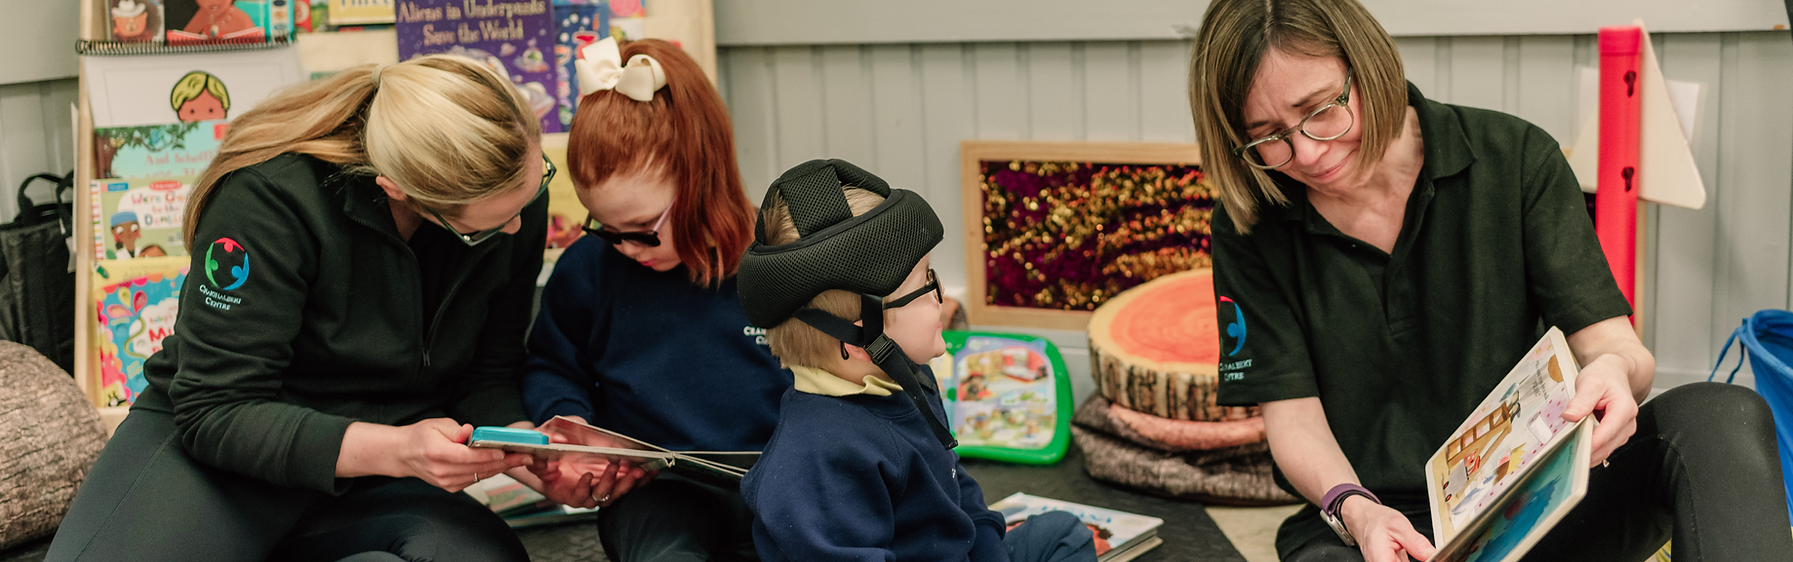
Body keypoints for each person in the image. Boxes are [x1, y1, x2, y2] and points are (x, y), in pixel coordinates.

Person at [1190, 1, 1793, 561]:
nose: (1308, 153)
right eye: (1267, 137)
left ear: (1366, 62)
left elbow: (1615, 347)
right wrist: (1357, 511)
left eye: (1321, 110)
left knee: (1722, 417)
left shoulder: (1515, 157)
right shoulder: (1250, 224)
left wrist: (1614, 375)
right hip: (1371, 531)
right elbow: (1291, 420)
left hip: (1539, 502)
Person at [48, 54, 555, 562]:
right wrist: (396, 448)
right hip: (226, 451)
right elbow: (216, 409)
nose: (513, 229)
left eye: (530, 194)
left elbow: (486, 373)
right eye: (483, 227)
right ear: (398, 188)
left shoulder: (513, 197)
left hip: (385, 470)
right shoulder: (268, 195)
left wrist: (528, 450)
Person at [734, 159, 1098, 562]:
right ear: (859, 336)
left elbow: (958, 490)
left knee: (1062, 534)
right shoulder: (814, 462)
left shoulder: (908, 381)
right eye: (924, 282)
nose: (941, 290)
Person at [520, 37, 788, 562]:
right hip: (657, 495)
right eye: (607, 229)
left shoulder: (787, 263)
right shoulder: (589, 272)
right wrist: (569, 429)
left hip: (788, 488)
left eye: (643, 229)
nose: (626, 248)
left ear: (702, 179)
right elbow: (552, 367)